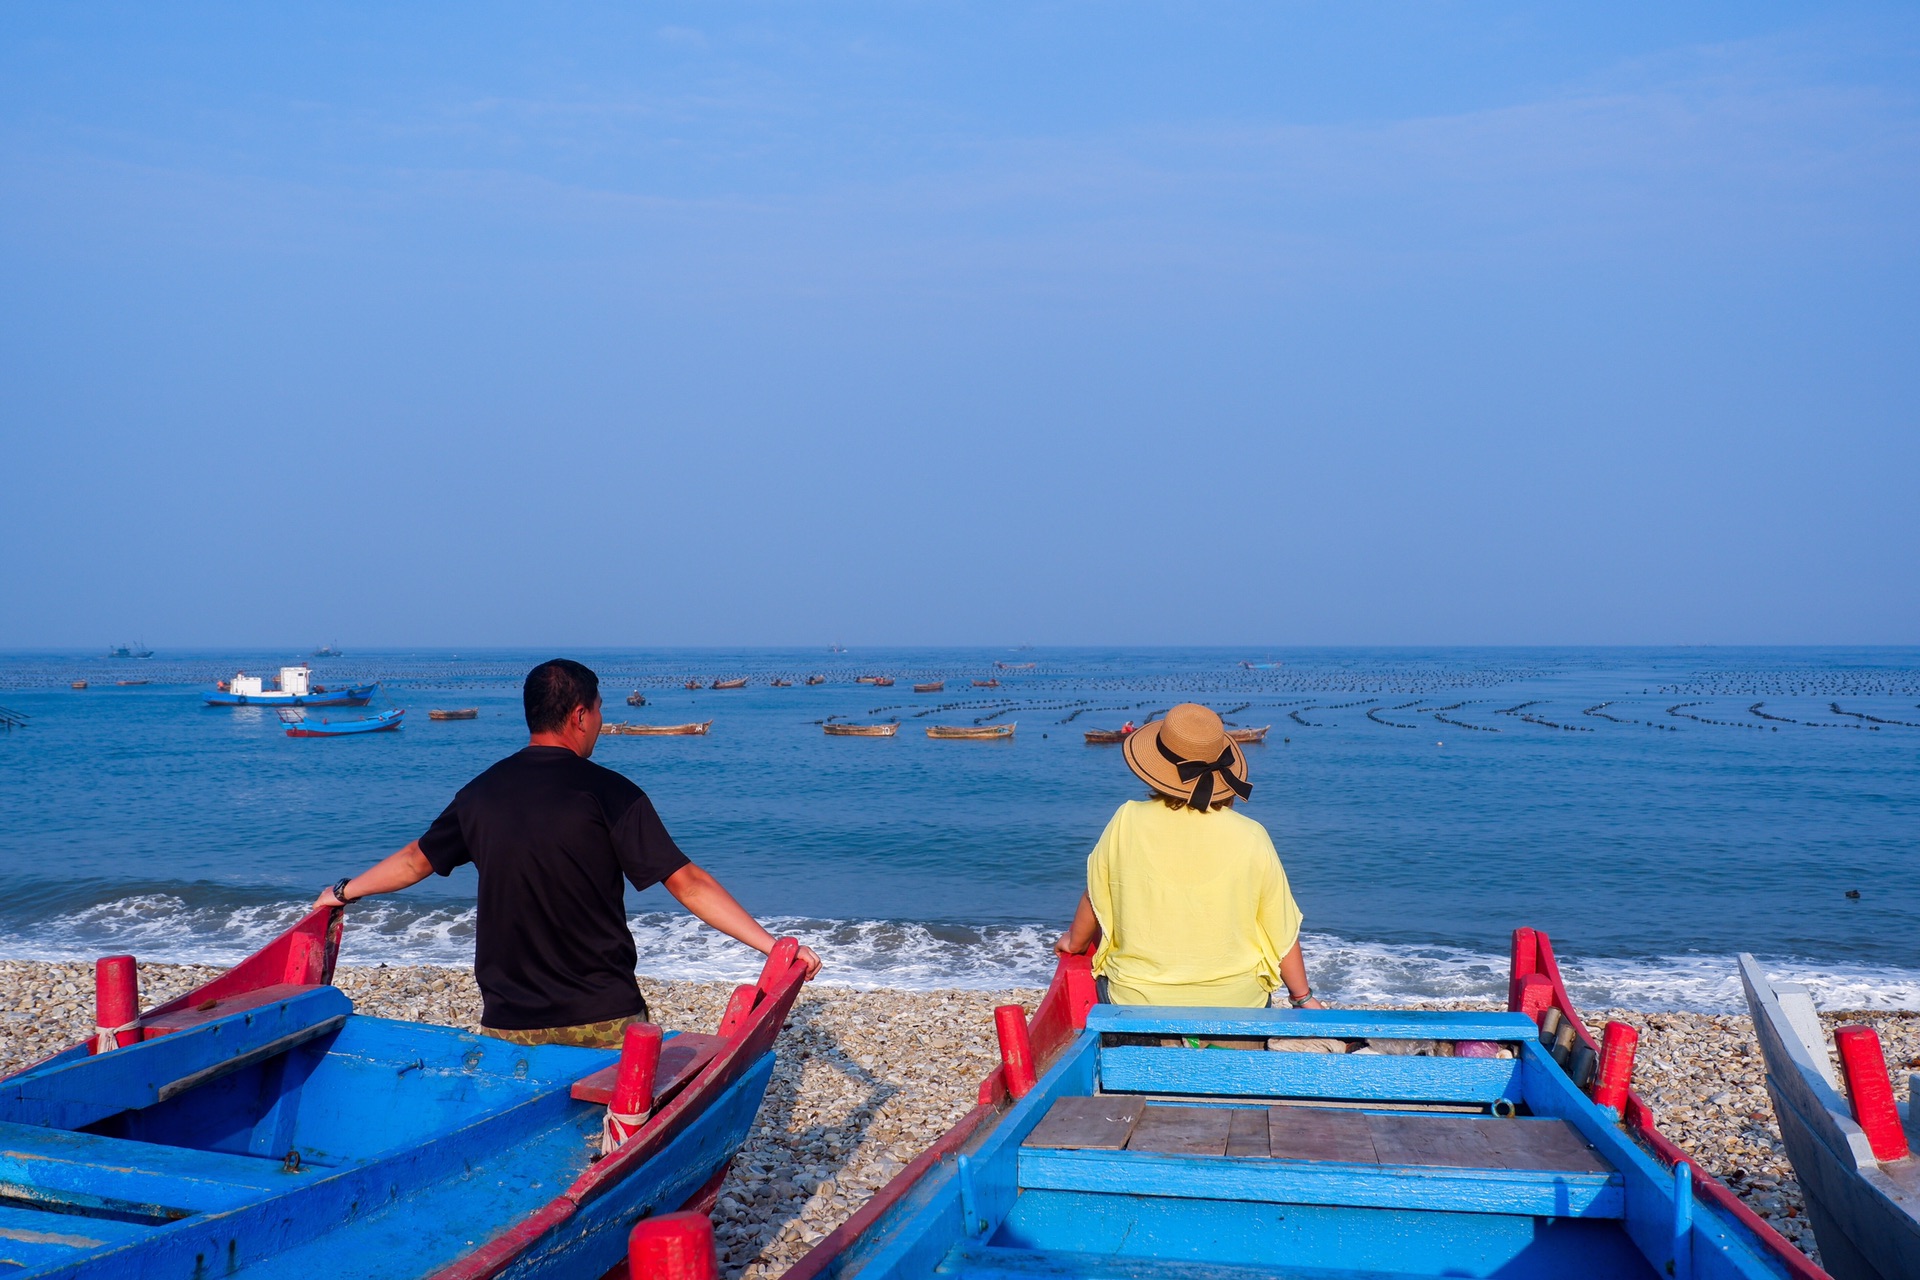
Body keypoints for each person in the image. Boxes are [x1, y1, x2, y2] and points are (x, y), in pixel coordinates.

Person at [312, 659, 821, 1047]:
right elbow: (687, 882)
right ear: (579, 715)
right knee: (611, 1142)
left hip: (508, 1024)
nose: (600, 722)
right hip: (601, 1018)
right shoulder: (610, 793)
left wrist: (341, 892)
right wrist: (775, 946)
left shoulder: (480, 793)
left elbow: (413, 861)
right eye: (599, 711)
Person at [1055, 702, 1325, 1011]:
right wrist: (1302, 997)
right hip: (1237, 1006)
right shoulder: (1252, 835)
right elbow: (1282, 930)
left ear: (1156, 767)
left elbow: (1097, 894)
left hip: (1138, 1002)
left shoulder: (1126, 819)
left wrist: (1074, 942)